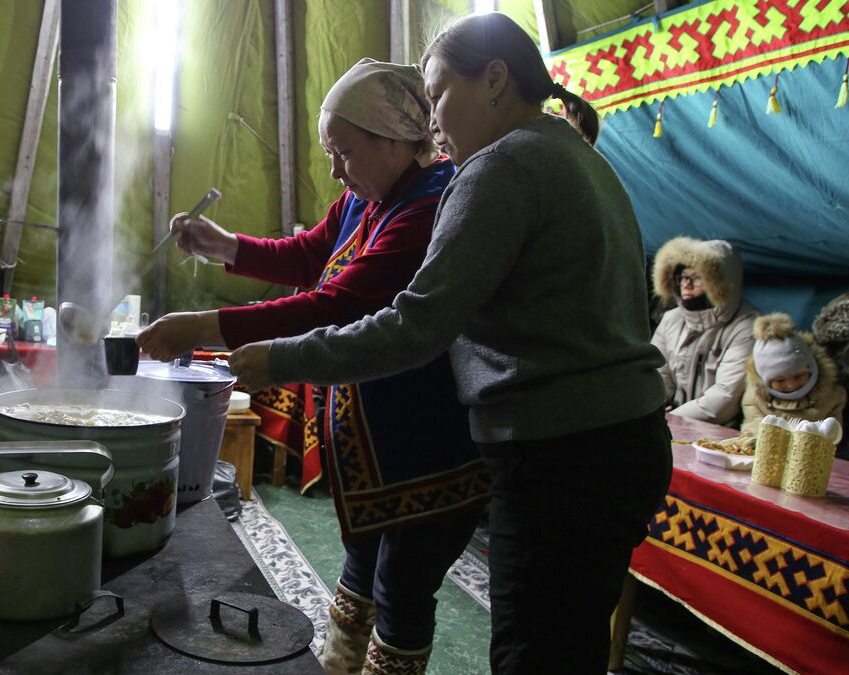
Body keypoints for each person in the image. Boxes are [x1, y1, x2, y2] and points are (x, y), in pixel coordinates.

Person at [228, 13, 672, 674]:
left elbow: (417, 324)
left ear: (494, 80)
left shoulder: (503, 165)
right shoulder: (573, 152)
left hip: (564, 460)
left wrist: (275, 356)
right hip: (615, 445)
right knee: (564, 642)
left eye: (437, 94)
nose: (431, 118)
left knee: (533, 652)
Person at [138, 59, 489, 673]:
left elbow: (337, 302)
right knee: (359, 577)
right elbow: (307, 255)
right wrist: (224, 244)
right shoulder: (366, 198)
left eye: (344, 152)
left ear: (395, 140)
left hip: (423, 448)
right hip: (371, 452)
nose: (335, 169)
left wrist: (204, 327)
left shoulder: (428, 210)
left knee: (402, 589)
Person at [651, 236, 759, 427]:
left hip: (721, 433)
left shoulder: (746, 326)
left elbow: (725, 397)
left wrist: (671, 419)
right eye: (683, 277)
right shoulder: (671, 319)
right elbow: (657, 374)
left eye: (697, 278)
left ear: (720, 283)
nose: (686, 284)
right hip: (672, 422)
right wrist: (654, 408)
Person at [738, 312, 845, 437]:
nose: (791, 385)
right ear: (764, 379)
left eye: (798, 376)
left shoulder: (831, 396)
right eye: (780, 380)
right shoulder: (755, 397)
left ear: (810, 368)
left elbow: (833, 434)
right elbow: (752, 425)